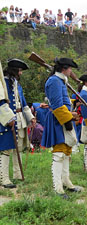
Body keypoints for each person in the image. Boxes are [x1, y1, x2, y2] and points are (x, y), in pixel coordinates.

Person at [41, 58, 81, 198]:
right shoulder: (54, 81)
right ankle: (57, 188)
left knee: (66, 152)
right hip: (59, 119)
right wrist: (71, 116)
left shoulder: (60, 81)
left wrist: (73, 102)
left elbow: (63, 100)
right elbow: (57, 105)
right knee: (59, 154)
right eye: (70, 69)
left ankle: (66, 182)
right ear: (64, 68)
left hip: (64, 118)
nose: (71, 72)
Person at [0, 59, 36, 188]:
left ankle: (17, 175)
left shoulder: (17, 84)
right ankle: (4, 179)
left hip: (19, 119)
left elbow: (24, 103)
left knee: (18, 147)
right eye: (19, 71)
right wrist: (8, 118)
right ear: (13, 70)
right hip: (7, 120)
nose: (20, 73)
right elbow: (2, 102)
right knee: (6, 149)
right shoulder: (3, 83)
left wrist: (30, 117)